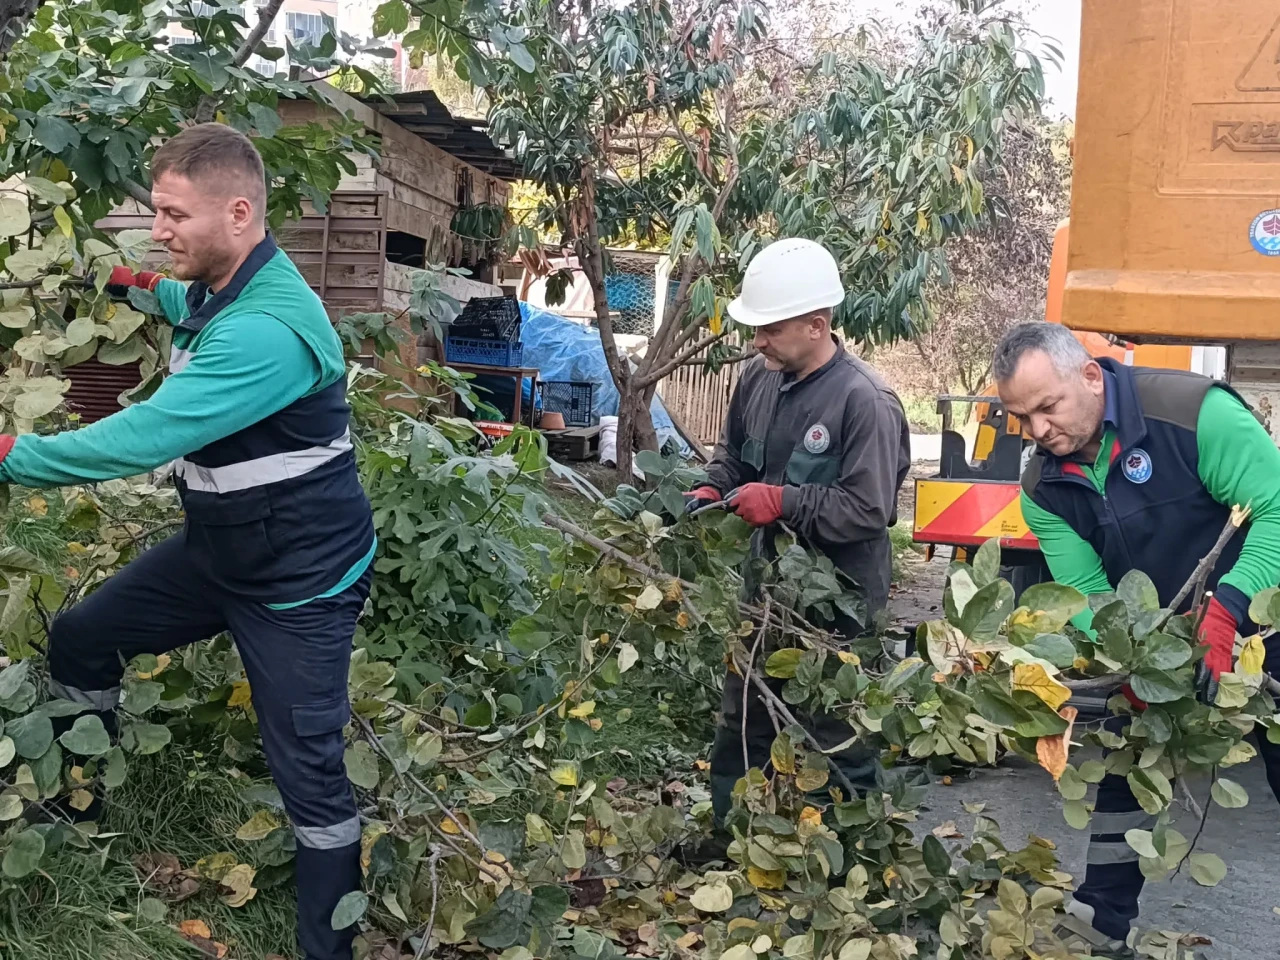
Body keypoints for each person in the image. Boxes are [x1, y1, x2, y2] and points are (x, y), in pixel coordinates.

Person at [0, 124, 376, 960]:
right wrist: (119, 280)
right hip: (220, 553)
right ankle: (80, 802)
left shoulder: (266, 333)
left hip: (299, 582)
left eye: (171, 214)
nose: (156, 229)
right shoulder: (226, 284)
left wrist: (11, 457)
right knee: (83, 638)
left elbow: (140, 439)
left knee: (308, 772)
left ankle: (330, 949)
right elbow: (179, 301)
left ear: (238, 212)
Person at [993, 321, 1280, 958]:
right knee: (1130, 759)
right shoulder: (1044, 484)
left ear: (1090, 377)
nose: (1038, 431)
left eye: (1048, 408)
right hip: (1159, 636)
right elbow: (1087, 592)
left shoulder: (1193, 414)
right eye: (1022, 417)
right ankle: (1101, 917)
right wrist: (1132, 661)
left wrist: (1229, 610)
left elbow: (1277, 510)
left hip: (1263, 617)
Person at [684, 237, 912, 821]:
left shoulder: (866, 401)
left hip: (841, 604)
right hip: (763, 594)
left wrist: (783, 501)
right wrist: (714, 485)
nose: (756, 342)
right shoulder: (760, 380)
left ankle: (846, 860)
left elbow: (868, 510)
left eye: (770, 330)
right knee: (744, 720)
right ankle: (731, 838)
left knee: (834, 735)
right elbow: (735, 455)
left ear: (816, 324)